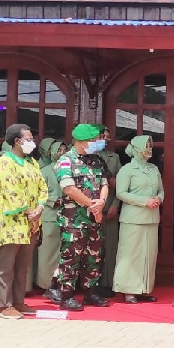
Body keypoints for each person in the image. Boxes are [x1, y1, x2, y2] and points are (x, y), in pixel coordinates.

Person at [0, 124, 46, 319]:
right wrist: (29, 210)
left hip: (31, 222)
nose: (32, 142)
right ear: (16, 141)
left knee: (23, 265)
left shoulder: (32, 162)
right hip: (11, 222)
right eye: (28, 139)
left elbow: (42, 186)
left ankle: (18, 302)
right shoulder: (5, 162)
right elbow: (11, 190)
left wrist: (39, 207)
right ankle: (4, 306)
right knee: (7, 265)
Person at [54, 124, 111, 310]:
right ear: (81, 141)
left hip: (95, 218)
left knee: (94, 256)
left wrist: (101, 202)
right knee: (71, 257)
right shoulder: (65, 161)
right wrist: (92, 205)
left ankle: (90, 291)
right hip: (74, 220)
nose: (97, 143)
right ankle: (66, 296)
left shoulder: (97, 160)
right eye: (93, 140)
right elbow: (69, 189)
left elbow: (104, 183)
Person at [113, 135, 163, 304]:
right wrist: (144, 201)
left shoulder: (154, 169)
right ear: (136, 149)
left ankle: (144, 289)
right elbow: (120, 193)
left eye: (150, 146)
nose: (149, 149)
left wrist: (158, 199)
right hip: (133, 219)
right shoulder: (127, 170)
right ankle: (129, 290)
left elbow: (161, 190)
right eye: (146, 146)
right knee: (131, 255)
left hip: (152, 218)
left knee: (149, 255)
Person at [38, 140, 68, 301]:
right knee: (47, 254)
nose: (62, 152)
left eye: (64, 149)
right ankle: (47, 285)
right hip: (49, 217)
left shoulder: (69, 169)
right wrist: (53, 200)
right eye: (59, 150)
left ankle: (59, 284)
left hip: (67, 217)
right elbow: (37, 193)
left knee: (63, 253)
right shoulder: (45, 171)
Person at [96, 126, 123, 298]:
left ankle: (107, 284)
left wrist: (115, 204)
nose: (105, 139)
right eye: (102, 136)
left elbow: (119, 184)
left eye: (107, 136)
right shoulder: (85, 156)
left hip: (109, 208)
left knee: (110, 247)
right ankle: (89, 285)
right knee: (92, 249)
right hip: (90, 208)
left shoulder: (114, 158)